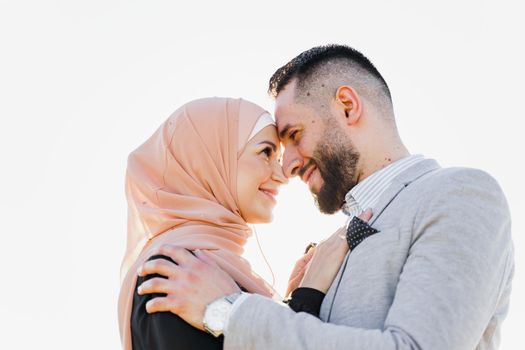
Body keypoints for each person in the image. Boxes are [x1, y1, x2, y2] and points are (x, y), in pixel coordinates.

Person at [136, 45, 514, 349]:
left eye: (295, 135)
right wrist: (302, 300)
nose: (289, 167)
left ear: (347, 106)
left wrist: (228, 312)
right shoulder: (328, 251)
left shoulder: (461, 195)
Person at [117, 97, 362, 350]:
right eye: (265, 152)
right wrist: (308, 297)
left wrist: (288, 307)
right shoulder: (176, 272)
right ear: (207, 160)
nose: (281, 176)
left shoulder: (205, 268)